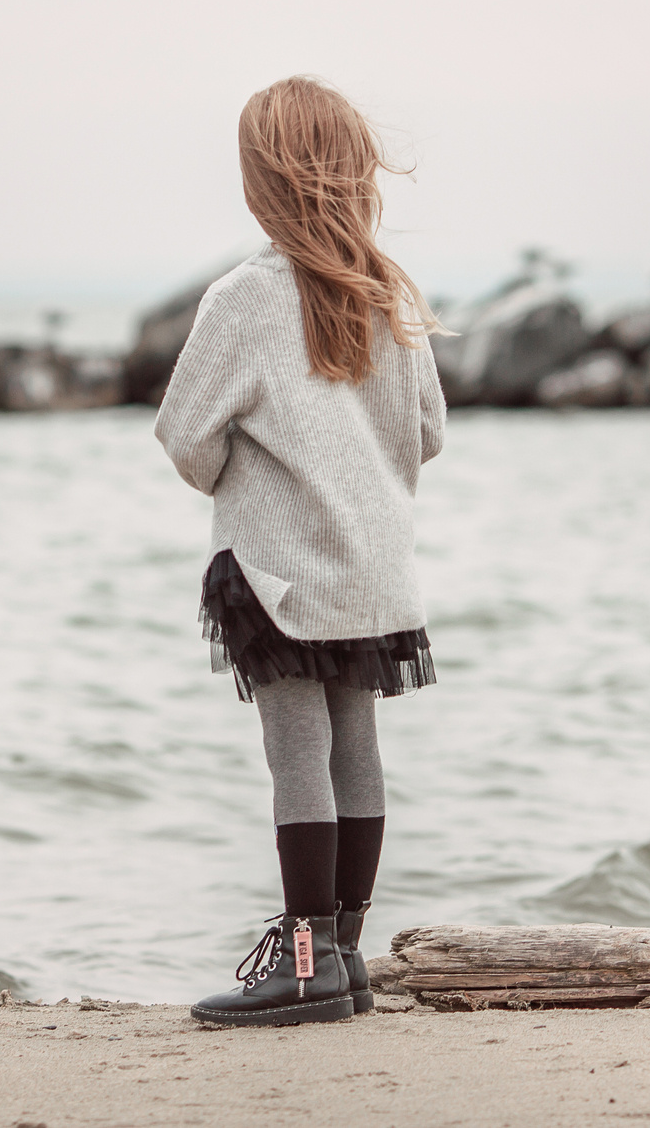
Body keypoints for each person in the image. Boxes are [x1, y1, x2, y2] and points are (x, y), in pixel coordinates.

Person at [155, 76, 449, 1028]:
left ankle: (307, 957)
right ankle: (349, 953)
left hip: (277, 570)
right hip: (374, 569)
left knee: (297, 754)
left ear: (261, 185)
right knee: (356, 746)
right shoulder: (389, 293)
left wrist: (244, 471)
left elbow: (184, 433)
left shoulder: (243, 297)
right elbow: (430, 431)